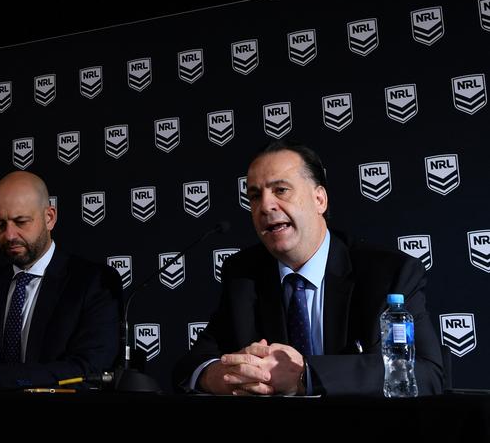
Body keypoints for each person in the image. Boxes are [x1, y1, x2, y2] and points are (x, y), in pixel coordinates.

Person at [173, 140, 443, 396]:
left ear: (319, 200)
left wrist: (306, 375)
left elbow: (426, 372)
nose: (265, 206)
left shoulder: (389, 274)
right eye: (255, 196)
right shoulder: (243, 274)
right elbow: (190, 366)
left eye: (281, 190)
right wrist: (220, 376)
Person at [0, 171, 121, 388]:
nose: (10, 235)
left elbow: (90, 371)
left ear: (49, 218)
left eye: (20, 221)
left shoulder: (94, 282)